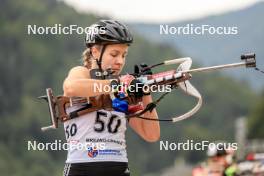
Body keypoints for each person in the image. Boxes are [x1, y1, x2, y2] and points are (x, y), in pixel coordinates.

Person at [62, 20, 160, 176]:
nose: (120, 61)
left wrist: (145, 91)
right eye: (114, 54)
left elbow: (151, 134)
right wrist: (117, 84)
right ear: (95, 52)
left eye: (123, 55)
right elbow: (71, 87)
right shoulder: (81, 73)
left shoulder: (125, 89)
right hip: (82, 168)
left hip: (119, 169)